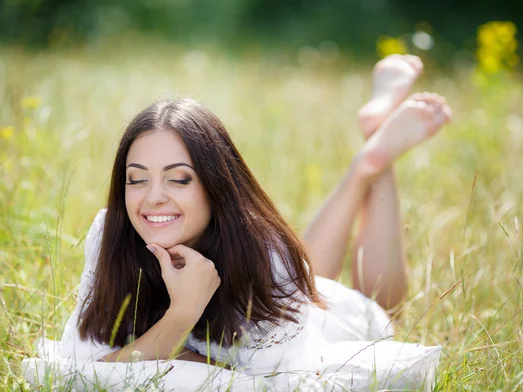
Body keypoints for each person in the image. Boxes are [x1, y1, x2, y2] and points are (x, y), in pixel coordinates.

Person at [22, 54, 451, 391]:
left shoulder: (266, 253)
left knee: (384, 307)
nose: (153, 196)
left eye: (179, 178)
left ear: (215, 185)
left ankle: (372, 160)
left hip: (323, 319)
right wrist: (182, 314)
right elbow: (84, 363)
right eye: (137, 179)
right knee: (307, 272)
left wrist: (174, 354)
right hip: (294, 286)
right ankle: (372, 148)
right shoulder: (110, 234)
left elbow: (275, 382)